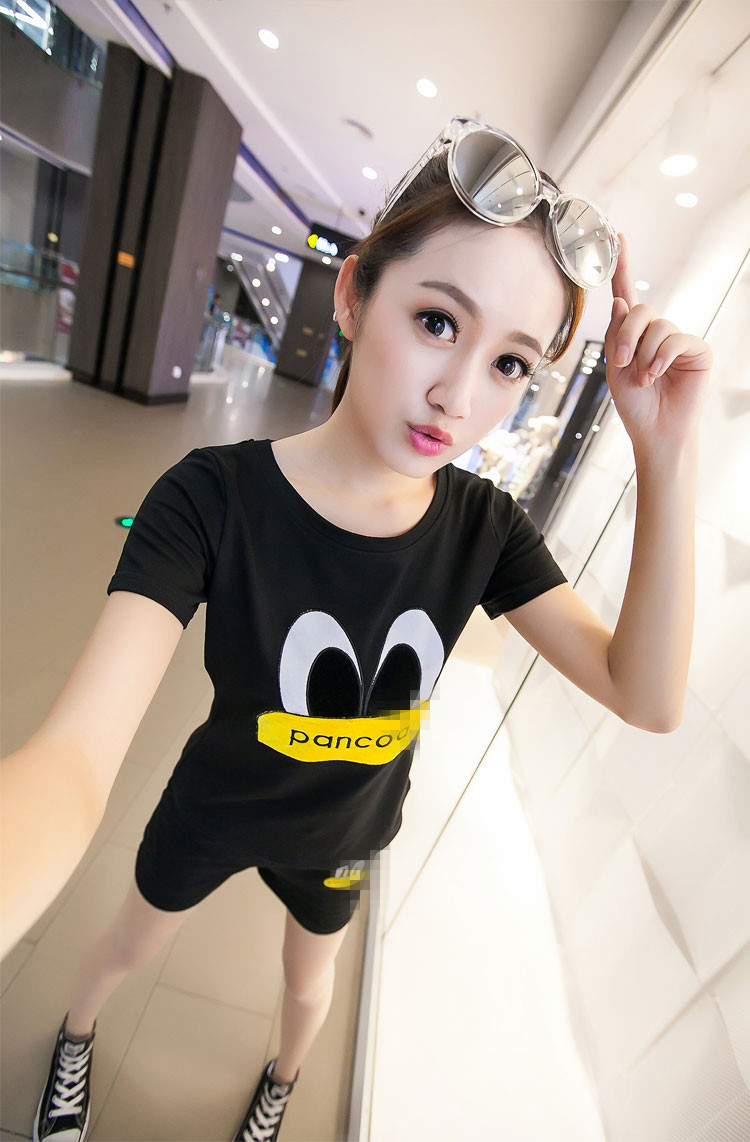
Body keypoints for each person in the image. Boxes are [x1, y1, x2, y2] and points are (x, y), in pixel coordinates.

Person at [0, 117, 711, 1142]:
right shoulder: (213, 498)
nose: (457, 396)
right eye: (437, 321)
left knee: (307, 987)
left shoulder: (484, 529)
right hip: (217, 801)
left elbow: (645, 696)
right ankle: (75, 1036)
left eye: (512, 364)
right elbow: (75, 758)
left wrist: (667, 455)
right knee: (128, 944)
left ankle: (281, 1085)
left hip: (346, 832)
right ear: (353, 294)